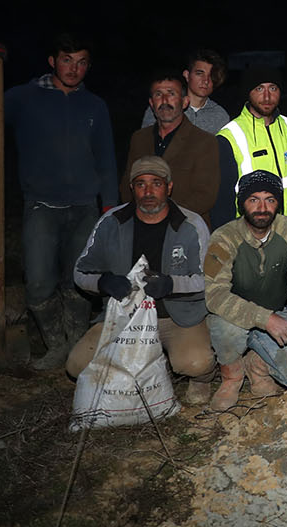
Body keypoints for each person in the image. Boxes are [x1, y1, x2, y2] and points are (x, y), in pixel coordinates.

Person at [0, 33, 115, 370]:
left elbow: (106, 158)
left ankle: (75, 349)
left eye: (81, 62)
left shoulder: (95, 106)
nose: (74, 68)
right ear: (52, 61)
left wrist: (109, 205)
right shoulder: (25, 97)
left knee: (81, 280)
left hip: (84, 207)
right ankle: (56, 344)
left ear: (88, 65)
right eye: (66, 60)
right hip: (41, 206)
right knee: (38, 281)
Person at [70, 156, 216, 403]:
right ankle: (133, 376)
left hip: (175, 318)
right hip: (123, 317)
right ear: (132, 189)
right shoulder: (111, 222)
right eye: (140, 184)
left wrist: (171, 284)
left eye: (156, 183)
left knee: (195, 362)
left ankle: (201, 380)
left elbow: (210, 280)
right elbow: (80, 272)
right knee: (76, 365)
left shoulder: (191, 224)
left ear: (169, 187)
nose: (148, 191)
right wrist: (102, 282)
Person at [203, 170, 287, 411]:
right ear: (242, 204)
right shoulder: (223, 237)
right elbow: (214, 296)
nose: (262, 207)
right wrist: (264, 318)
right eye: (253, 199)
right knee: (224, 329)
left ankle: (257, 365)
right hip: (235, 318)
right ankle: (232, 376)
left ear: (278, 204)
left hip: (279, 315)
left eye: (270, 199)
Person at [121, 69, 220, 218]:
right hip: (141, 224)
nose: (165, 100)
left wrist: (164, 218)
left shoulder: (204, 142)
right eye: (158, 94)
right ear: (151, 103)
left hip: (186, 227)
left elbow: (205, 196)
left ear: (185, 101)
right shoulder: (139, 138)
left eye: (171, 93)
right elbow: (127, 187)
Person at [213, 62, 287, 228]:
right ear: (248, 92)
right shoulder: (230, 136)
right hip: (249, 233)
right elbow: (222, 198)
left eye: (273, 88)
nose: (267, 97)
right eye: (259, 89)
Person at [142, 49, 231, 134]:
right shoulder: (164, 107)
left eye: (211, 75)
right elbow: (144, 143)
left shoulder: (220, 116)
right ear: (187, 75)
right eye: (199, 74)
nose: (206, 81)